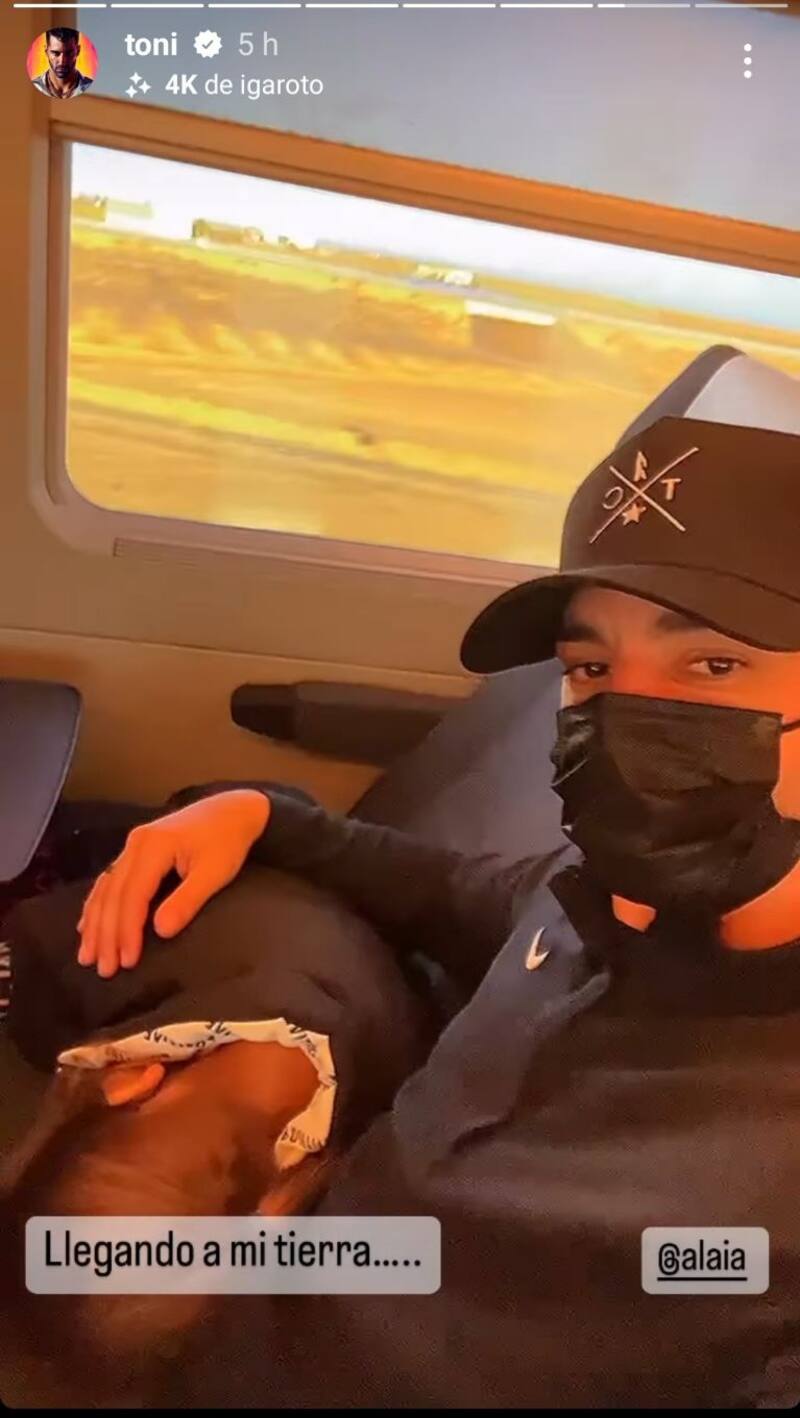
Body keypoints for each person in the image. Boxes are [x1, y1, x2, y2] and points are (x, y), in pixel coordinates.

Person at [10, 412, 800, 1407]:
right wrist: (262, 815)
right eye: (590, 669)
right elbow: (446, 890)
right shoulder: (591, 892)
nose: (622, 720)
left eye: (713, 666)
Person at [31, 28, 93, 100]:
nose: (62, 61)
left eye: (69, 53)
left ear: (78, 51)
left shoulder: (90, 88)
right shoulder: (33, 88)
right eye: (55, 53)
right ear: (46, 51)